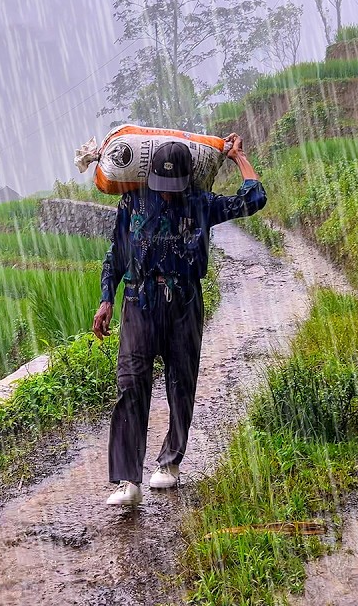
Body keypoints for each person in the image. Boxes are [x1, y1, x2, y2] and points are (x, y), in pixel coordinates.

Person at [91, 132, 265, 506]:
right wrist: (106, 300)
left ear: (187, 180)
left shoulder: (201, 203)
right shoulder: (133, 201)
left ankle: (170, 462)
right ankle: (127, 480)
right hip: (139, 301)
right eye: (162, 186)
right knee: (130, 384)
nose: (168, 194)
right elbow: (116, 254)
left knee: (180, 384)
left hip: (184, 302)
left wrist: (238, 157)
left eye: (175, 187)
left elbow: (253, 199)